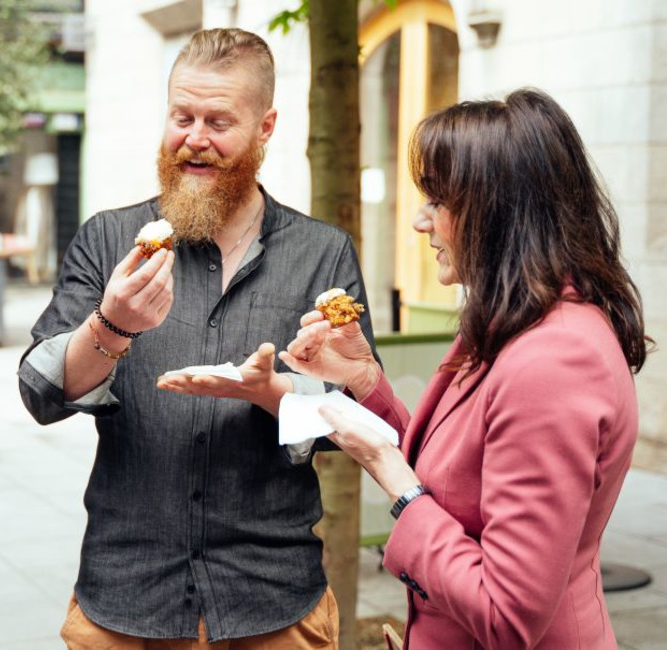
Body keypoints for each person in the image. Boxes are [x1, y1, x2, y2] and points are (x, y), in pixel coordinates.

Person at [19, 28, 376, 648]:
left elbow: (359, 419)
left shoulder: (323, 253)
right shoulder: (109, 240)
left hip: (272, 598)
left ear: (266, 128)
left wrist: (272, 394)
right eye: (182, 117)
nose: (195, 138)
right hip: (127, 597)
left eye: (219, 121)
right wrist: (111, 325)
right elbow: (41, 391)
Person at [279, 89, 651, 649]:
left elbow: (507, 617)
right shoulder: (518, 320)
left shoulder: (553, 361)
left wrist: (392, 477)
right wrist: (363, 379)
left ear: (499, 211)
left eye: (437, 200)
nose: (419, 221)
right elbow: (459, 477)